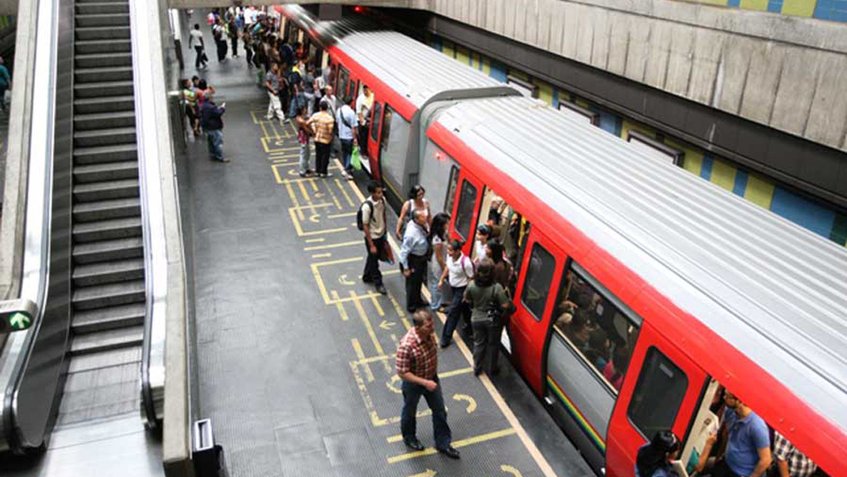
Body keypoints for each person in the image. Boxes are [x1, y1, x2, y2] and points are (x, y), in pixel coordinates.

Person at [395, 310, 460, 460]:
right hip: (415, 384)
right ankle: (409, 437)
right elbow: (402, 372)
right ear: (417, 328)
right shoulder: (407, 345)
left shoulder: (429, 335)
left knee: (439, 411)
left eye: (431, 324)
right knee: (409, 411)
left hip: (431, 378)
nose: (432, 328)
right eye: (428, 326)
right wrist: (424, 382)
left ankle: (443, 443)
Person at [463, 259, 511, 376]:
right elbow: (505, 305)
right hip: (492, 320)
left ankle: (477, 367)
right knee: (493, 344)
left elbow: (467, 300)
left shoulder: (471, 285)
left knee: (479, 343)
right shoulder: (497, 288)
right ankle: (492, 368)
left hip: (476, 318)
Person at [711, 392, 772, 477]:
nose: (724, 398)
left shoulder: (757, 426)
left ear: (739, 401)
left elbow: (766, 459)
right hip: (727, 463)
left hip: (742, 473)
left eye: (728, 397)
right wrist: (719, 458)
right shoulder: (730, 411)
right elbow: (727, 435)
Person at [438, 240, 474, 348]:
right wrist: (442, 279)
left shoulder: (466, 263)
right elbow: (447, 268)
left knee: (453, 312)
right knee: (464, 308)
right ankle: (470, 327)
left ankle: (445, 338)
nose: (448, 252)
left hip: (462, 289)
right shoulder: (450, 258)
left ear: (458, 251)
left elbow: (471, 278)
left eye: (451, 250)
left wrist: (466, 293)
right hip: (453, 287)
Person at [399, 209, 431, 313]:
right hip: (414, 260)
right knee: (412, 284)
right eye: (423, 217)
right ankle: (411, 305)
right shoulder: (411, 234)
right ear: (416, 219)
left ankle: (418, 300)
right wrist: (406, 268)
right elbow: (403, 253)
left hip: (421, 259)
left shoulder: (420, 225)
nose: (425, 218)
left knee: (418, 281)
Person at [361, 181, 388, 295]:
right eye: (378, 192)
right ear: (372, 193)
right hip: (372, 237)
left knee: (373, 258)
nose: (381, 194)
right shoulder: (367, 207)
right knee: (374, 260)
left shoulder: (382, 201)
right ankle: (378, 283)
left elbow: (383, 215)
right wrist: (371, 244)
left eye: (381, 191)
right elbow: (365, 226)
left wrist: (385, 231)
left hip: (381, 234)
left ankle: (367, 276)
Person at [428, 213, 450, 313]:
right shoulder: (437, 239)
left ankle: (439, 301)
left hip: (444, 260)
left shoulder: (443, 234)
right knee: (437, 284)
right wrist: (445, 268)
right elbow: (439, 257)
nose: (448, 224)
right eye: (446, 223)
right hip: (439, 264)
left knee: (438, 284)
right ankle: (435, 305)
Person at [307, 101, 335, 178]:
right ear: (327, 108)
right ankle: (323, 172)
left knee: (318, 155)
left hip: (317, 138)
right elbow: (330, 131)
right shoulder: (329, 118)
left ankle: (317, 171)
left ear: (320, 107)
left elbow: (307, 123)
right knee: (325, 156)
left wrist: (312, 131)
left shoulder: (315, 115)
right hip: (326, 140)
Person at [336, 95, 358, 180]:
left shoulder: (339, 110)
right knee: (349, 153)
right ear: (351, 103)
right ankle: (347, 170)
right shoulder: (351, 112)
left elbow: (337, 122)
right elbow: (353, 128)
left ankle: (345, 166)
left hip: (341, 135)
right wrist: (355, 138)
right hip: (349, 137)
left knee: (344, 152)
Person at [199, 98, 227, 163]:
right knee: (218, 142)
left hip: (208, 128)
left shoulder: (203, 106)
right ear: (210, 99)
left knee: (211, 142)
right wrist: (222, 108)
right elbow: (218, 113)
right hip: (214, 127)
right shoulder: (211, 107)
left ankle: (213, 155)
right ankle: (219, 157)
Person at [295, 105, 314, 178]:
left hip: (305, 138)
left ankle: (306, 168)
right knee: (303, 155)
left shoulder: (301, 118)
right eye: (305, 109)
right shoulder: (301, 120)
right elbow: (307, 129)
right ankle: (302, 171)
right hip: (304, 138)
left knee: (307, 154)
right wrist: (313, 133)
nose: (306, 110)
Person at [356, 84, 373, 156]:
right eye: (364, 91)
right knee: (363, 137)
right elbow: (359, 112)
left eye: (366, 91)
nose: (365, 92)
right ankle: (363, 152)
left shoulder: (373, 96)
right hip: (362, 119)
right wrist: (363, 122)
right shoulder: (360, 99)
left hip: (370, 118)